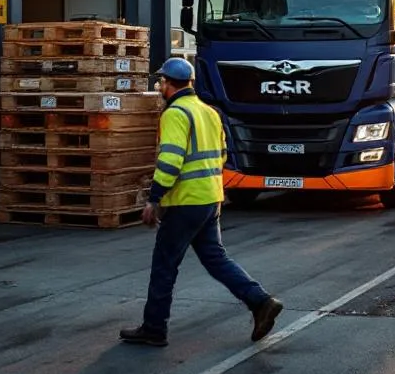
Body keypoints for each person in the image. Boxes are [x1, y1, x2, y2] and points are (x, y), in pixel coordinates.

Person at [120, 57, 283, 347]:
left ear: (168, 84)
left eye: (161, 81)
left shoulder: (175, 114)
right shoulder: (209, 112)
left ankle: (154, 328)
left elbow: (170, 160)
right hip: (210, 198)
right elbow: (221, 155)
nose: (160, 86)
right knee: (216, 259)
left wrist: (154, 199)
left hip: (185, 202)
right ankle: (260, 301)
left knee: (164, 265)